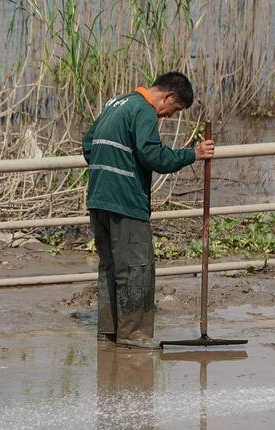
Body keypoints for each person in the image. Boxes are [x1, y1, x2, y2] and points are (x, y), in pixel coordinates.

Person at [82, 72, 216, 350]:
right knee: (137, 267)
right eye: (174, 110)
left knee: (110, 266)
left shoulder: (117, 103)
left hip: (98, 198)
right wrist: (193, 154)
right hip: (126, 201)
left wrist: (111, 169)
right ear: (168, 97)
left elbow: (88, 144)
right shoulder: (143, 110)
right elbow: (153, 156)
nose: (168, 116)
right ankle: (134, 335)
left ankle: (109, 331)